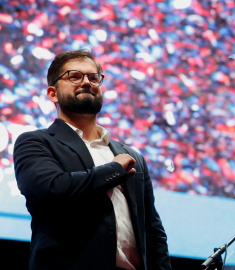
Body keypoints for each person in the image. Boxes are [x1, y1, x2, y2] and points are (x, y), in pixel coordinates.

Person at [13, 49, 172, 270]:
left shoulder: (133, 156)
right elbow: (51, 189)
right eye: (74, 76)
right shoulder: (35, 142)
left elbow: (152, 231)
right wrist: (114, 169)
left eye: (93, 77)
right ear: (53, 93)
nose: (86, 82)